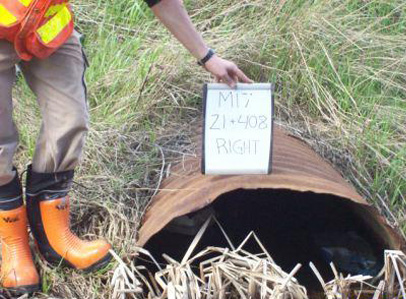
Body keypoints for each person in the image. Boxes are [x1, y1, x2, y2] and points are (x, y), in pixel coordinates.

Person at [0, 0, 252, 294]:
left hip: (47, 30)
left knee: (70, 120)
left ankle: (56, 239)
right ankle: (12, 245)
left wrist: (208, 57)